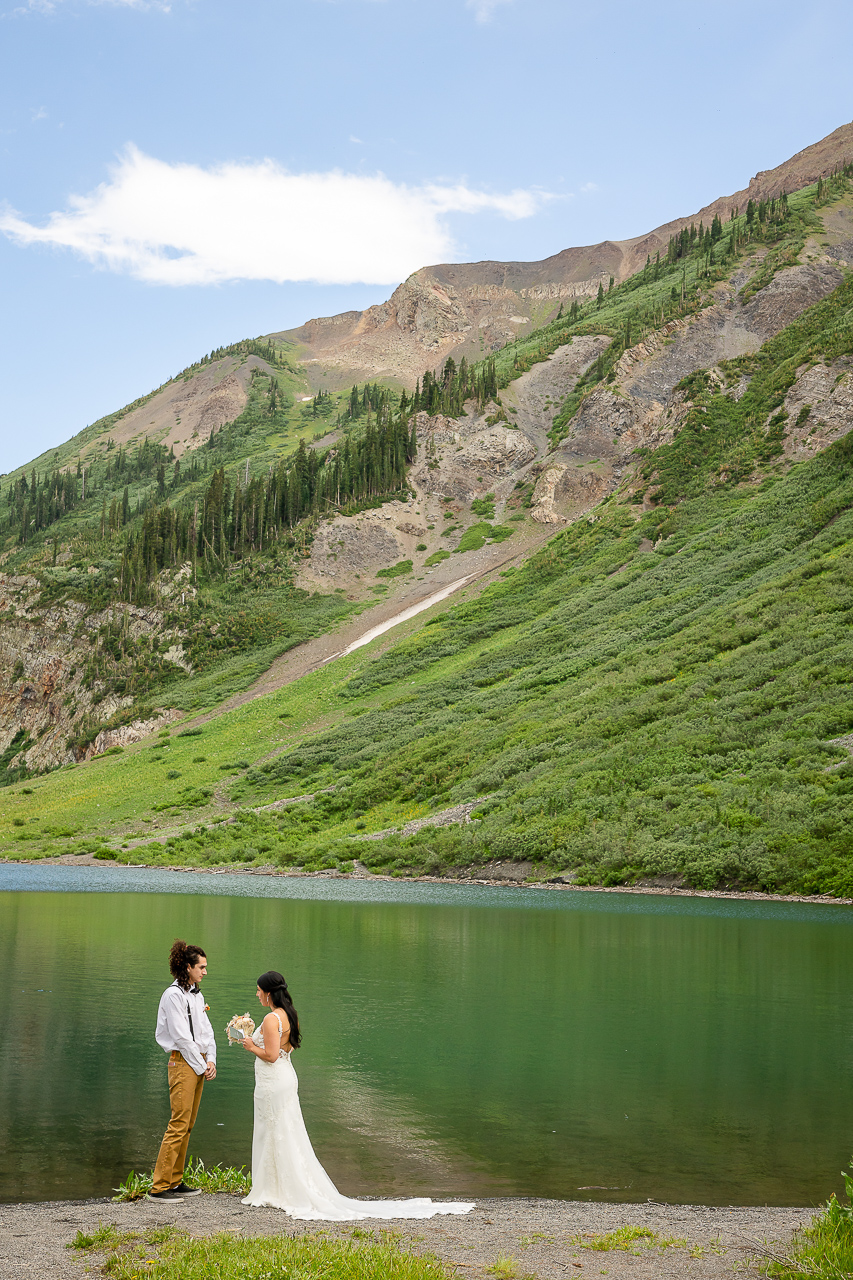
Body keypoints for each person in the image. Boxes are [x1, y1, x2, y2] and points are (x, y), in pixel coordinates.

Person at [239, 970, 474, 1221]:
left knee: (275, 1129)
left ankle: (274, 1188)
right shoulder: (290, 1015)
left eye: (258, 990)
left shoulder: (271, 1019)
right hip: (284, 1078)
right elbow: (289, 1048)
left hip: (274, 1082)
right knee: (284, 1130)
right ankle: (278, 1186)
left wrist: (251, 1045)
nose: (256, 994)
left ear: (268, 992)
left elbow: (272, 1056)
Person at [148, 939, 217, 1201]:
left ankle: (175, 1181)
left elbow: (206, 1030)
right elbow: (180, 1036)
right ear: (188, 967)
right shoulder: (173, 995)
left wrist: (211, 1059)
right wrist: (201, 1065)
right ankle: (159, 1187)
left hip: (198, 1062)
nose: (205, 972)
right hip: (182, 1062)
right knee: (178, 1123)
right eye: (201, 967)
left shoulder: (196, 994)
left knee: (187, 1125)